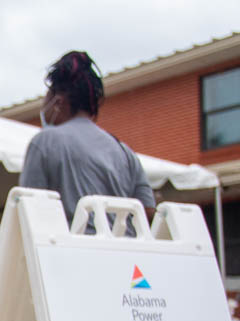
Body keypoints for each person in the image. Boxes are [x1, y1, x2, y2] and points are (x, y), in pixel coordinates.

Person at [19, 51, 154, 224]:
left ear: (58, 103)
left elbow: (30, 214)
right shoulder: (124, 152)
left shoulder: (44, 142)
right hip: (122, 248)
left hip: (68, 249)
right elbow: (148, 212)